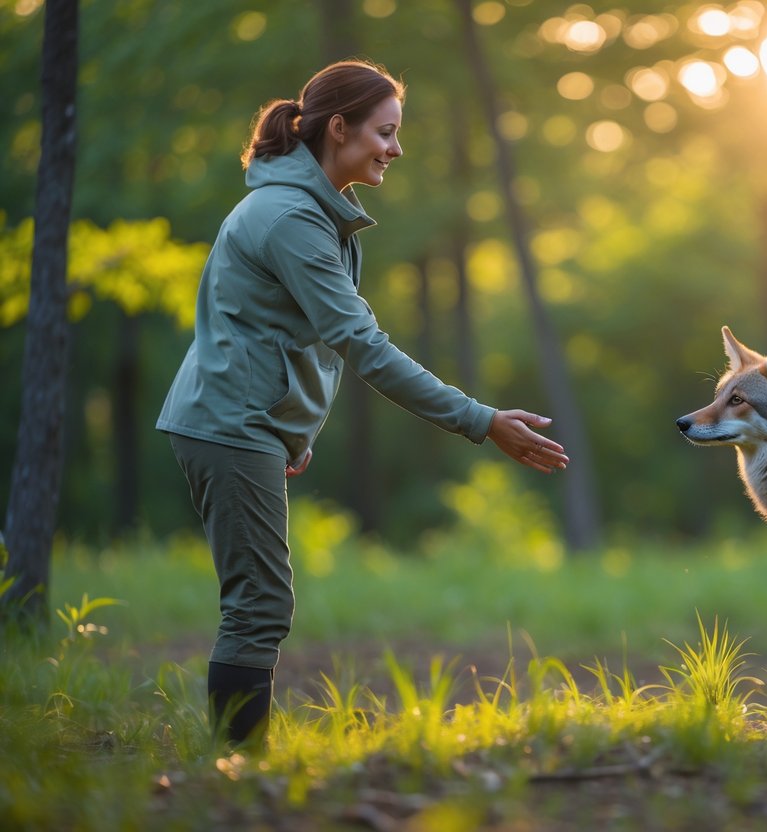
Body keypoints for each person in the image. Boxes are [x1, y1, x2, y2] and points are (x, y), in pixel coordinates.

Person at [157, 60, 568, 747]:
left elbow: (267, 328)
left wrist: (291, 431)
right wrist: (481, 421)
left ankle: (236, 761)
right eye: (385, 132)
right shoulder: (291, 217)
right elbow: (363, 347)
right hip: (229, 424)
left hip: (243, 423)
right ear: (338, 128)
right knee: (259, 602)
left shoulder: (305, 210)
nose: (395, 149)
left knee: (260, 599)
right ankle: (234, 767)